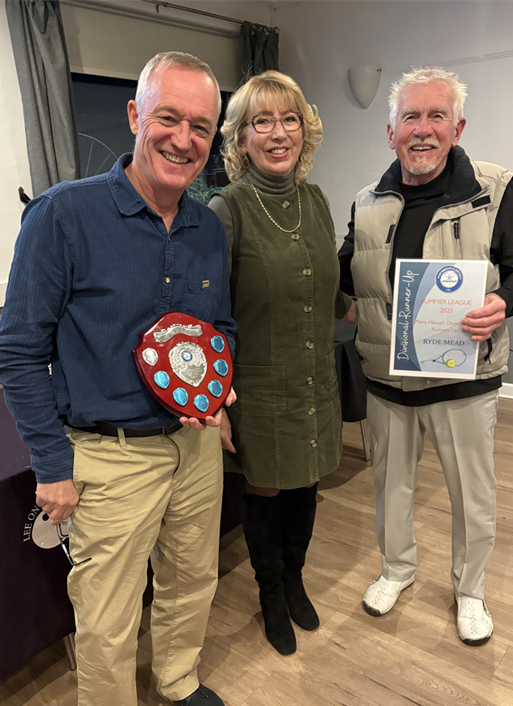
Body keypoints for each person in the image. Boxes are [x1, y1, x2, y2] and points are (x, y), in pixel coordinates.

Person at [0, 52, 237, 706]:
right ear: (135, 117)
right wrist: (51, 464)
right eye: (168, 117)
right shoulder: (63, 215)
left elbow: (217, 329)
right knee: (104, 616)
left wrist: (218, 392)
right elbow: (16, 353)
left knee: (193, 578)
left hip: (194, 446)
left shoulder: (208, 226)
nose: (183, 139)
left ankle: (178, 677)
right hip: (108, 455)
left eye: (201, 126)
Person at [339, 67, 513, 646]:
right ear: (391, 131)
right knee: (390, 488)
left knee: (472, 495)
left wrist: (501, 303)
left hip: (464, 377)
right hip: (387, 377)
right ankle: (396, 569)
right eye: (410, 117)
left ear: (457, 127)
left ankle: (470, 590)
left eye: (436, 116)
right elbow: (344, 278)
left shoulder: (493, 189)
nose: (422, 129)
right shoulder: (366, 202)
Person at [208, 71, 353, 656]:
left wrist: (387, 315)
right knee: (267, 492)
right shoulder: (227, 209)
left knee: (307, 485)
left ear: (304, 130)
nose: (278, 133)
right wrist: (217, 402)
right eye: (261, 122)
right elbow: (207, 313)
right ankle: (270, 591)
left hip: (315, 381)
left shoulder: (316, 201)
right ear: (242, 139)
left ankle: (294, 578)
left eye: (289, 119)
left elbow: (329, 288)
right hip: (260, 390)